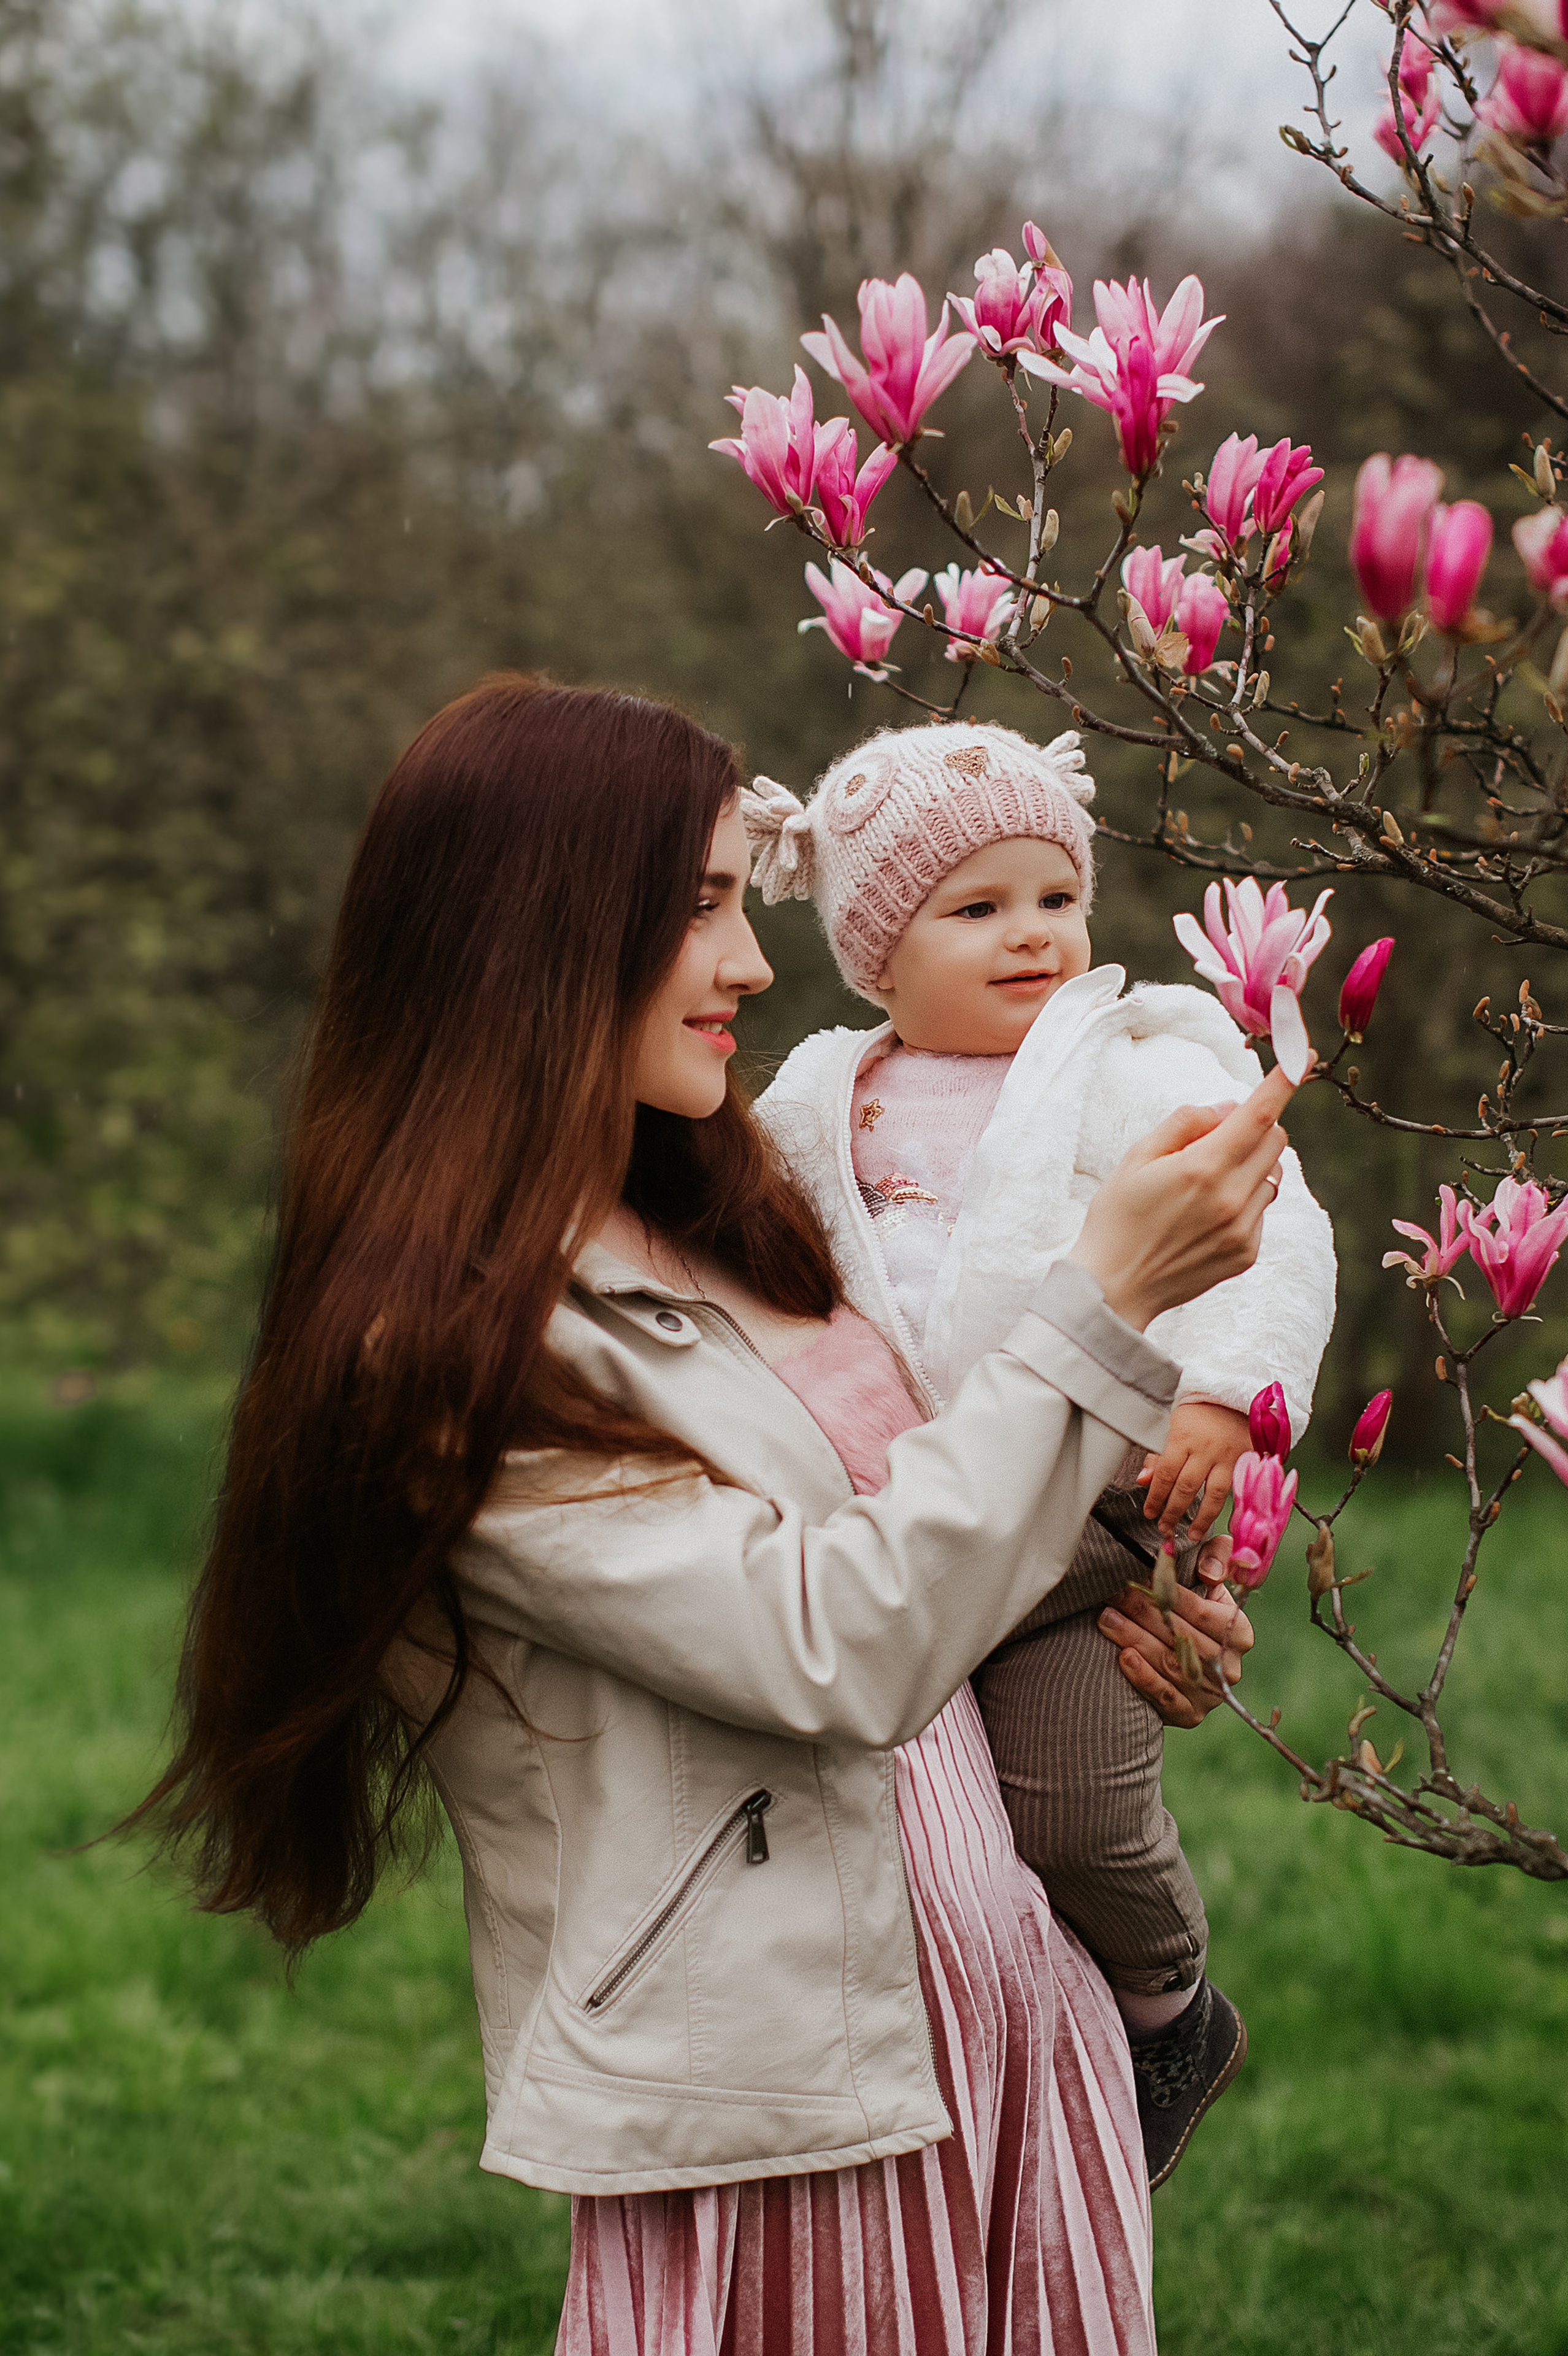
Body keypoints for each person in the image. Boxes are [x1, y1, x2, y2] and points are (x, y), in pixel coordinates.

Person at [137, 676, 1285, 2356]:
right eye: (700, 912)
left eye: (743, 905)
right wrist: (1105, 1303)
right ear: (537, 936)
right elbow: (831, 1644)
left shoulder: (723, 1212)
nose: (754, 965)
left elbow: (925, 1555)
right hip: (799, 2116)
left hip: (1005, 2022)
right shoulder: (448, 1354)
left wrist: (1114, 1588)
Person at [742, 717, 1335, 2185]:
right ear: (875, 957)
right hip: (914, 1511)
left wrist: (1218, 1399)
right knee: (942, 1848)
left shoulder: (1129, 1069)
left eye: (1055, 900)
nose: (1033, 938)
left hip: (1094, 1511)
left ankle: (1167, 2005)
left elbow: (1272, 1231)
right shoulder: (818, 1102)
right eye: (978, 910)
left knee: (1078, 1814)